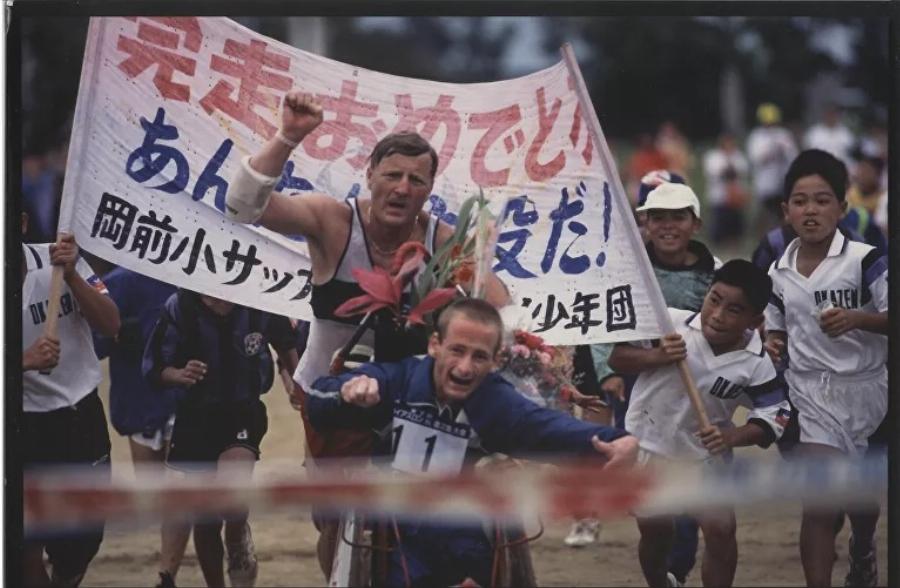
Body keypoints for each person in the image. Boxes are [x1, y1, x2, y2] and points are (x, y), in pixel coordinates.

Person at [225, 90, 510, 576]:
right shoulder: (332, 220)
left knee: (416, 520)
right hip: (330, 396)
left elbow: (500, 309)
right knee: (335, 524)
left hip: (412, 399)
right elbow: (242, 206)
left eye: (416, 180)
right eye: (392, 175)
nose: (402, 188)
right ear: (370, 176)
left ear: (429, 189)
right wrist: (287, 137)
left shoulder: (444, 240)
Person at [306, 298, 639, 587]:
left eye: (479, 357)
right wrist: (346, 393)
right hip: (393, 535)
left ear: (495, 362)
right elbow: (318, 395)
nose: (465, 367)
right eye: (457, 351)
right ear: (435, 345)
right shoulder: (397, 379)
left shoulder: (497, 402)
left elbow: (555, 429)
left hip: (466, 534)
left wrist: (617, 440)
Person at [610, 259, 791, 588]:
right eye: (715, 300)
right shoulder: (669, 324)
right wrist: (657, 356)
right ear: (706, 294)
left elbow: (775, 415)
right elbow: (618, 357)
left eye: (735, 310)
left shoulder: (758, 363)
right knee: (657, 530)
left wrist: (732, 436)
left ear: (756, 320)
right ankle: (660, 583)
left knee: (722, 530)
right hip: (648, 446)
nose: (718, 316)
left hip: (705, 456)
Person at [763, 149, 887, 588]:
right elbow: (775, 330)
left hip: (869, 392)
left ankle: (863, 546)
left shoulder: (867, 260)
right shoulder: (777, 274)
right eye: (800, 201)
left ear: (842, 208)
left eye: (821, 200)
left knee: (862, 501)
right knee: (817, 504)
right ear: (786, 211)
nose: (810, 210)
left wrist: (859, 319)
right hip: (810, 395)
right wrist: (773, 343)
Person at [593, 181, 719, 586]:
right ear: (644, 223)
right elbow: (610, 340)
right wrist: (615, 370)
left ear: (694, 223)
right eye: (657, 218)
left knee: (708, 513)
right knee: (654, 514)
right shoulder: (630, 274)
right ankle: (662, 576)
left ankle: (679, 570)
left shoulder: (715, 276)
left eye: (677, 217)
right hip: (644, 404)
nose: (667, 226)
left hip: (702, 409)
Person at [143, 290, 299, 588]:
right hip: (195, 415)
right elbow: (153, 368)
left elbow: (286, 343)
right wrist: (178, 374)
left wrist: (298, 382)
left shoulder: (258, 297)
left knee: (232, 494)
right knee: (205, 517)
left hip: (243, 408)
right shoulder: (180, 306)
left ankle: (238, 533)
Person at [21, 214, 121, 587]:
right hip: (21, 425)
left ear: (22, 222)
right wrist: (22, 361)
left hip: (81, 419)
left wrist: (74, 276)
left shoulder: (60, 261)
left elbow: (111, 324)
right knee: (22, 546)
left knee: (82, 542)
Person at [91, 268, 189, 588]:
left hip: (189, 401)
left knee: (178, 496)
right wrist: (118, 331)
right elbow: (92, 344)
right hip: (140, 401)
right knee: (155, 498)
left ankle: (166, 576)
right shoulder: (121, 282)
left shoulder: (198, 272)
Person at [746, 102, 798, 234]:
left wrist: (784, 150)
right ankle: (763, 239)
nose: (770, 125)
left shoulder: (784, 135)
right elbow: (754, 158)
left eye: (772, 122)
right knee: (764, 215)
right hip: (764, 184)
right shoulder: (756, 136)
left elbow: (793, 156)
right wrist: (771, 151)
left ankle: (783, 238)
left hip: (782, 181)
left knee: (783, 213)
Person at [702, 132, 750, 245]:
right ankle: (718, 241)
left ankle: (735, 240)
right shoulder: (713, 156)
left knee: (735, 220)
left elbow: (743, 170)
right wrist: (728, 170)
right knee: (719, 220)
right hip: (719, 194)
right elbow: (713, 172)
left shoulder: (738, 155)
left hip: (735, 196)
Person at [803, 104, 855, 168]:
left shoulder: (846, 133)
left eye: (833, 113)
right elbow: (807, 154)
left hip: (842, 168)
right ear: (824, 114)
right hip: (819, 168)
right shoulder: (813, 133)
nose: (831, 116)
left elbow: (851, 154)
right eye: (828, 113)